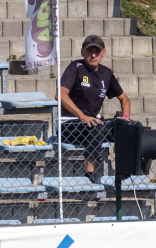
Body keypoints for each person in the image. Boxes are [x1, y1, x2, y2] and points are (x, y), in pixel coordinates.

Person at [59, 35, 131, 179]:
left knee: (132, 128)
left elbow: (124, 99)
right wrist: (82, 116)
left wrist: (125, 117)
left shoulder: (106, 73)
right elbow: (60, 94)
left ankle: (128, 173)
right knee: (95, 127)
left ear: (103, 53)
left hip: (94, 124)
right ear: (82, 52)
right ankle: (89, 177)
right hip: (68, 125)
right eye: (89, 51)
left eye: (97, 51)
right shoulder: (76, 67)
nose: (93, 55)